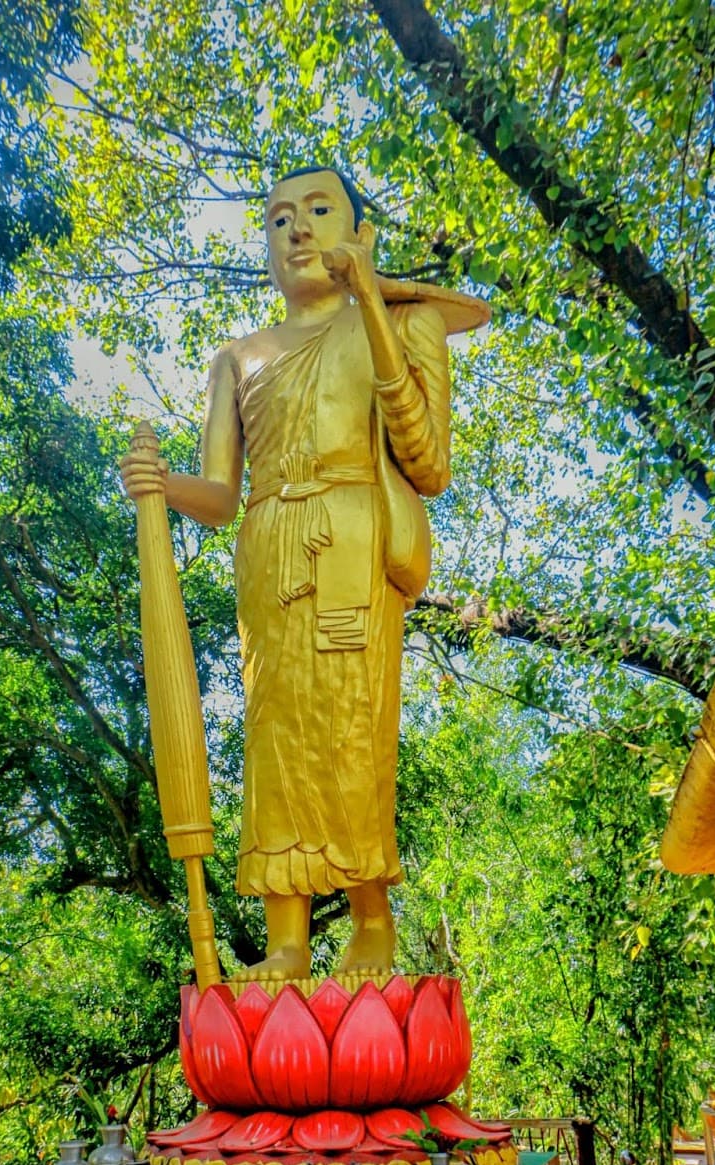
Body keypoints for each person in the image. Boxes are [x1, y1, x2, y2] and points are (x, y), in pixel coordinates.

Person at [121, 166, 485, 980]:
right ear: (264, 249)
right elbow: (219, 495)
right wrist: (161, 486)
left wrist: (374, 315)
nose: (297, 229)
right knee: (276, 736)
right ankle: (285, 939)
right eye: (279, 218)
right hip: (268, 545)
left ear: (359, 232)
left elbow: (426, 461)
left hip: (354, 535)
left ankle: (370, 922)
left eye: (319, 210)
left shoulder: (401, 322)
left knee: (351, 729)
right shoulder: (238, 358)